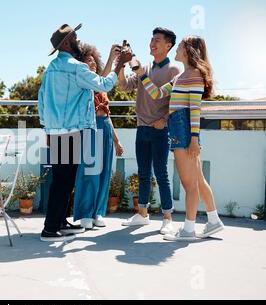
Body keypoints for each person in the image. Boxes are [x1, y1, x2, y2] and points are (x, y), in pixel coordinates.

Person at [38, 23, 132, 242]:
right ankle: (50, 230)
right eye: (76, 38)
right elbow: (104, 85)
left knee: (62, 179)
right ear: (67, 42)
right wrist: (120, 64)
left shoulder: (50, 69)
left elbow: (41, 101)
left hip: (56, 132)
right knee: (64, 181)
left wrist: (48, 129)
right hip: (72, 133)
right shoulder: (76, 67)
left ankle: (59, 222)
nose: (79, 42)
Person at [132, 35, 225, 241]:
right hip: (179, 129)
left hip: (183, 130)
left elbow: (194, 110)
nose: (177, 49)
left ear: (189, 51)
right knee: (198, 180)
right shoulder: (181, 77)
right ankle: (214, 221)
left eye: (180, 46)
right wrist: (140, 73)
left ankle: (189, 230)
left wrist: (193, 139)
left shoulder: (194, 76)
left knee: (189, 183)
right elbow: (156, 94)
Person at [118, 27, 180, 235]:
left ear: (168, 45)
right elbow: (124, 86)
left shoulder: (174, 70)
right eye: (151, 39)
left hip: (160, 130)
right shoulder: (143, 68)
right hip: (141, 128)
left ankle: (167, 219)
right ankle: (142, 215)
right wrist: (121, 63)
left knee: (161, 174)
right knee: (144, 173)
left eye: (157, 40)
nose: (152, 43)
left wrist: (164, 120)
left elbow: (175, 103)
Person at [73, 43, 124, 229]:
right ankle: (85, 213)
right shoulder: (84, 81)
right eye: (88, 61)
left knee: (103, 173)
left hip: (105, 128)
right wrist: (112, 58)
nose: (92, 64)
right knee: (90, 172)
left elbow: (108, 116)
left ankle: (98, 213)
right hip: (89, 128)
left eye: (94, 61)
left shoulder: (101, 87)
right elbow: (102, 78)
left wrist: (116, 141)